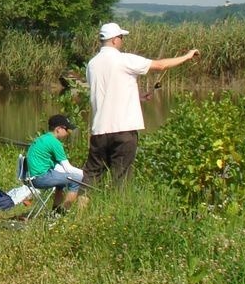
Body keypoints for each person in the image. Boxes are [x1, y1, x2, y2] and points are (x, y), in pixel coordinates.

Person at [83, 22, 199, 189]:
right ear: (115, 40)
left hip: (99, 130)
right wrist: (187, 56)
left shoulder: (92, 64)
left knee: (91, 176)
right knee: (121, 177)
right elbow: (160, 66)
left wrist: (136, 97)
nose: (122, 41)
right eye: (121, 37)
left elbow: (105, 90)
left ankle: (78, 211)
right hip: (123, 130)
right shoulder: (124, 59)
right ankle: (119, 211)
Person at [25, 114, 83, 213]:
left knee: (62, 182)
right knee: (76, 179)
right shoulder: (54, 143)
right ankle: (64, 212)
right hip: (40, 179)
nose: (69, 133)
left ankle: (56, 211)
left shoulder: (42, 138)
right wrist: (85, 173)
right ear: (59, 129)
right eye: (67, 130)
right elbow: (68, 168)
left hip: (31, 178)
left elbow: (58, 167)